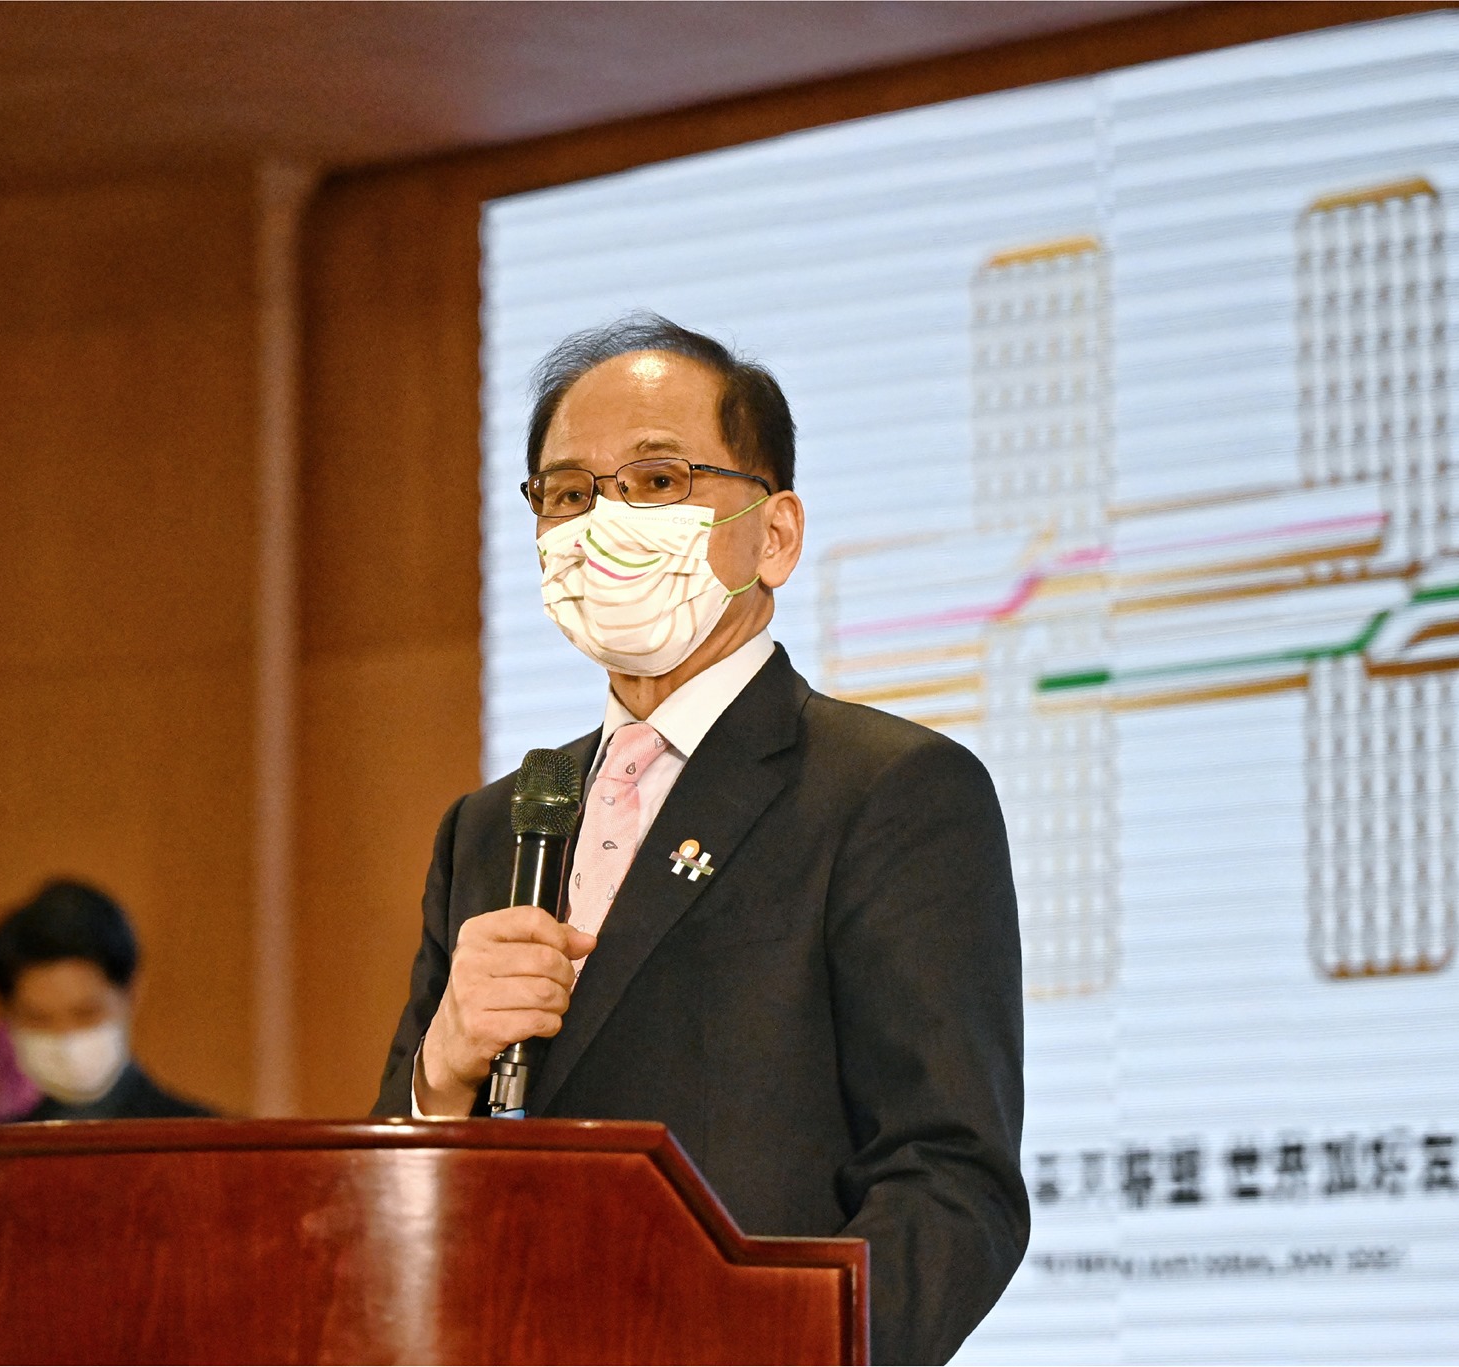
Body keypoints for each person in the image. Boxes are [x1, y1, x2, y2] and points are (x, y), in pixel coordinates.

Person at [374, 313, 1029, 1364]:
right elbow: (388, 1202)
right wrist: (437, 1076)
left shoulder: (888, 790)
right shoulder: (495, 823)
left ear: (773, 534)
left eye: (655, 481)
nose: (602, 522)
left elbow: (950, 1180)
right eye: (568, 493)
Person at [0, 879, 212, 1121]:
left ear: (131, 994)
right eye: (39, 1019)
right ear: (7, 1015)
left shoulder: (204, 1143)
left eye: (86, 1014)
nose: (66, 1038)